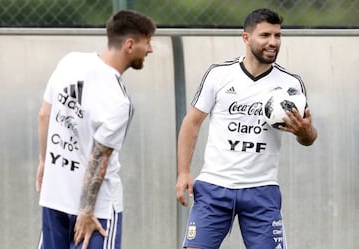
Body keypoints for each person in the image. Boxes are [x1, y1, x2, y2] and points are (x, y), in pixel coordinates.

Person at [175, 8, 317, 249]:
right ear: (246, 38)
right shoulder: (219, 74)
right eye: (265, 35)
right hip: (214, 187)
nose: (273, 42)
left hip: (262, 190)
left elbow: (309, 136)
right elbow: (192, 123)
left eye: (277, 36)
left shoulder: (291, 84)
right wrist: (184, 173)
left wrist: (304, 133)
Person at [35, 10, 156, 249]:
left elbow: (44, 115)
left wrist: (44, 161)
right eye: (148, 42)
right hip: (95, 212)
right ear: (130, 45)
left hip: (54, 196)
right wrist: (87, 211)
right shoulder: (119, 100)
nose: (150, 50)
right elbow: (98, 158)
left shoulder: (70, 61)